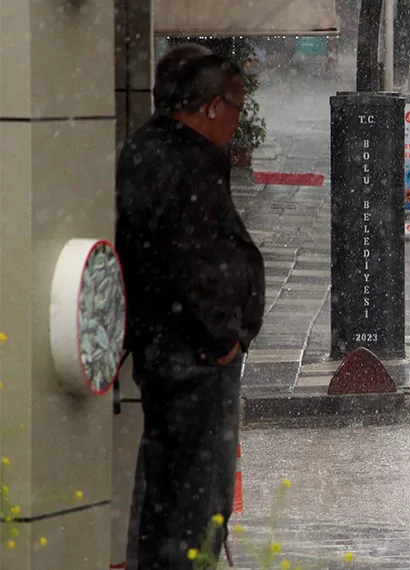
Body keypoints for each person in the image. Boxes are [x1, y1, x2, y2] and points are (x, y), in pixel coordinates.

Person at [116, 50, 265, 569]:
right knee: (195, 499)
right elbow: (187, 262)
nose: (237, 123)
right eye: (236, 108)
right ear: (208, 107)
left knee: (171, 492)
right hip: (191, 360)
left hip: (170, 351)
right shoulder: (184, 162)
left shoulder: (149, 150)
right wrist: (223, 337)